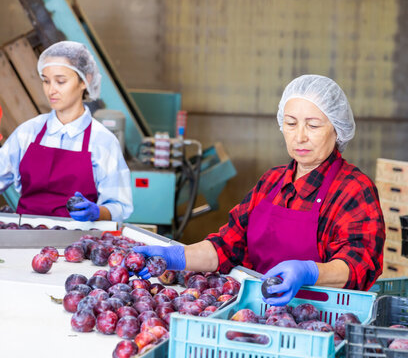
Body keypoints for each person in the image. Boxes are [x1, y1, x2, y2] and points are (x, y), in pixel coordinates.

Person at [135, 75, 385, 306]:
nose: (299, 137)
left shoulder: (354, 189)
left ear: (337, 129)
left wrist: (309, 272)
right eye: (291, 123)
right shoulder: (271, 182)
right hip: (256, 309)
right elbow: (227, 246)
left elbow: (359, 265)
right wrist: (177, 256)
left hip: (317, 316)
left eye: (313, 126)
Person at [0, 41, 133, 222]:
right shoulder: (27, 132)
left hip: (76, 244)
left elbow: (119, 206)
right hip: (24, 238)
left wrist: (96, 212)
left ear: (85, 80)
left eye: (60, 81)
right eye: (46, 81)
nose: (51, 90)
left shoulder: (102, 141)